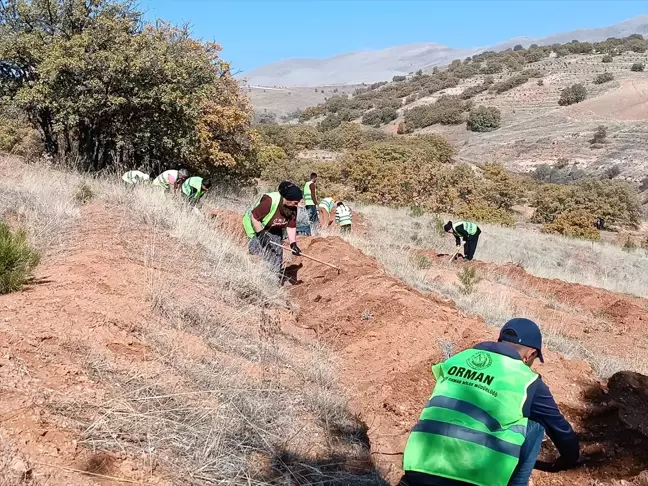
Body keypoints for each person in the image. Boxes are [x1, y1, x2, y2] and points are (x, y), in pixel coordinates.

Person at [400, 318, 580, 486]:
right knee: (536, 425)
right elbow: (559, 429)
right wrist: (568, 460)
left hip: (418, 466)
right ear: (530, 354)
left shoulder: (459, 359)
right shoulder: (527, 380)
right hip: (470, 479)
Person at [242, 181, 303, 276]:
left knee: (276, 257)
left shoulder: (293, 207)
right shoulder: (270, 200)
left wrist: (293, 244)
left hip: (275, 229)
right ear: (287, 199)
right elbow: (254, 217)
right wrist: (260, 234)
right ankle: (256, 276)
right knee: (258, 251)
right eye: (296, 202)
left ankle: (273, 277)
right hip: (257, 226)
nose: (298, 205)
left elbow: (291, 226)